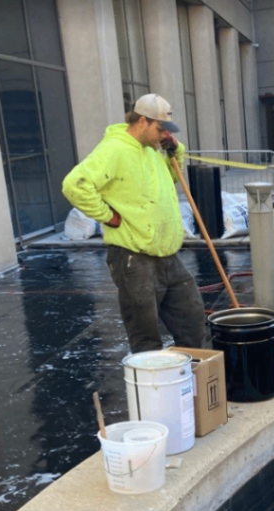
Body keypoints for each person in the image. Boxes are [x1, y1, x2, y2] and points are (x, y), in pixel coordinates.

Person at [62, 94, 207, 353]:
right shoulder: (115, 149)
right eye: (160, 129)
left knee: (193, 323)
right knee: (146, 337)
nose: (164, 135)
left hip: (167, 255)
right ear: (142, 121)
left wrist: (175, 152)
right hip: (134, 258)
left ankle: (192, 376)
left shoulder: (152, 149)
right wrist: (107, 216)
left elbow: (172, 178)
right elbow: (75, 185)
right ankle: (153, 379)